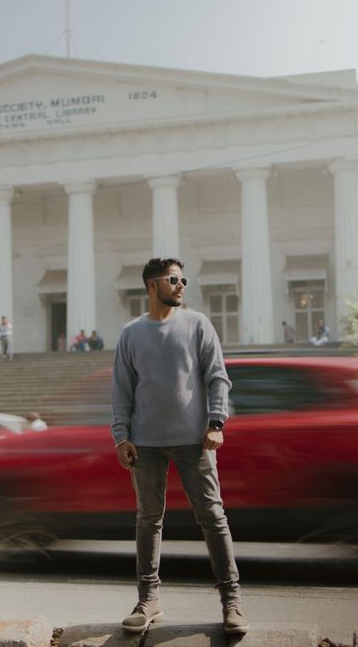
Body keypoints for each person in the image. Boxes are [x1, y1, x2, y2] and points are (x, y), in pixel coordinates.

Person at [111, 257, 247, 636]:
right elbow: (122, 390)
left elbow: (218, 378)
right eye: (174, 279)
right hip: (146, 444)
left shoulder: (198, 324)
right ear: (152, 286)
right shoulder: (131, 333)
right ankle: (148, 600)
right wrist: (120, 436)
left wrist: (217, 423)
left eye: (183, 279)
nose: (181, 285)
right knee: (148, 521)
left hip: (195, 441)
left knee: (213, 518)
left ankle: (231, 602)